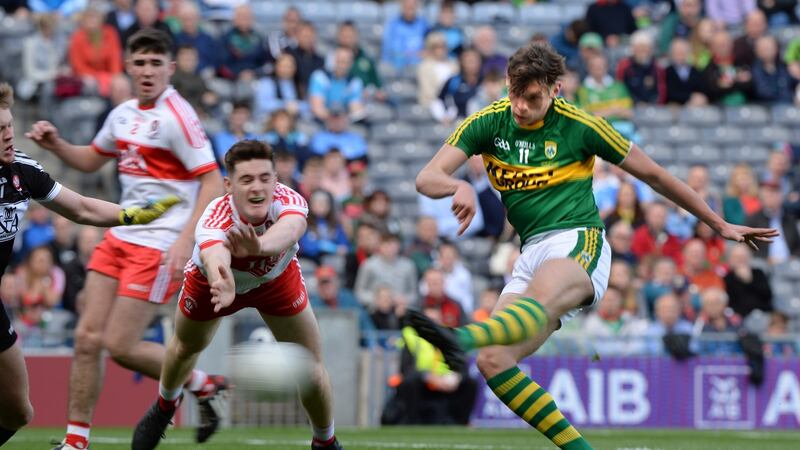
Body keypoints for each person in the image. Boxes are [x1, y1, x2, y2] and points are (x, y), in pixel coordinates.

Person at [406, 42, 777, 450]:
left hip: (578, 241)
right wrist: (457, 185)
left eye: (531, 98)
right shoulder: (489, 122)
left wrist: (717, 222)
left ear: (555, 90)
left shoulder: (581, 125)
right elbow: (427, 177)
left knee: (539, 301)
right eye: (513, 93)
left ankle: (462, 338)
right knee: (494, 362)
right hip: (530, 252)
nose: (519, 107)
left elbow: (653, 175)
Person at [26, 29, 226, 450]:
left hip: (160, 242)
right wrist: (57, 144)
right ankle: (75, 442)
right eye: (141, 62)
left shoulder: (179, 116)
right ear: (129, 67)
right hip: (120, 234)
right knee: (85, 339)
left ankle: (202, 382)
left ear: (170, 68)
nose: (149, 71)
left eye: (157, 63)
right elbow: (90, 158)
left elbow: (212, 180)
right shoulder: (123, 115)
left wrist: (184, 240)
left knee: (119, 346)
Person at [131, 140, 343, 450]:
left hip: (276, 279)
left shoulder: (290, 200)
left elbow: (292, 228)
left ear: (275, 179)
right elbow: (215, 255)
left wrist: (259, 246)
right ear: (229, 185)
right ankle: (165, 405)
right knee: (185, 347)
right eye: (246, 180)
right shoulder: (213, 218)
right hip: (213, 283)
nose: (257, 188)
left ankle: (326, 443)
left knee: (311, 367)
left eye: (264, 178)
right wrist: (224, 278)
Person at [0, 81, 179, 447]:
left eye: (8, 125)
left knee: (19, 412)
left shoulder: (22, 171)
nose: (8, 135)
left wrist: (135, 216)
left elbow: (81, 207)